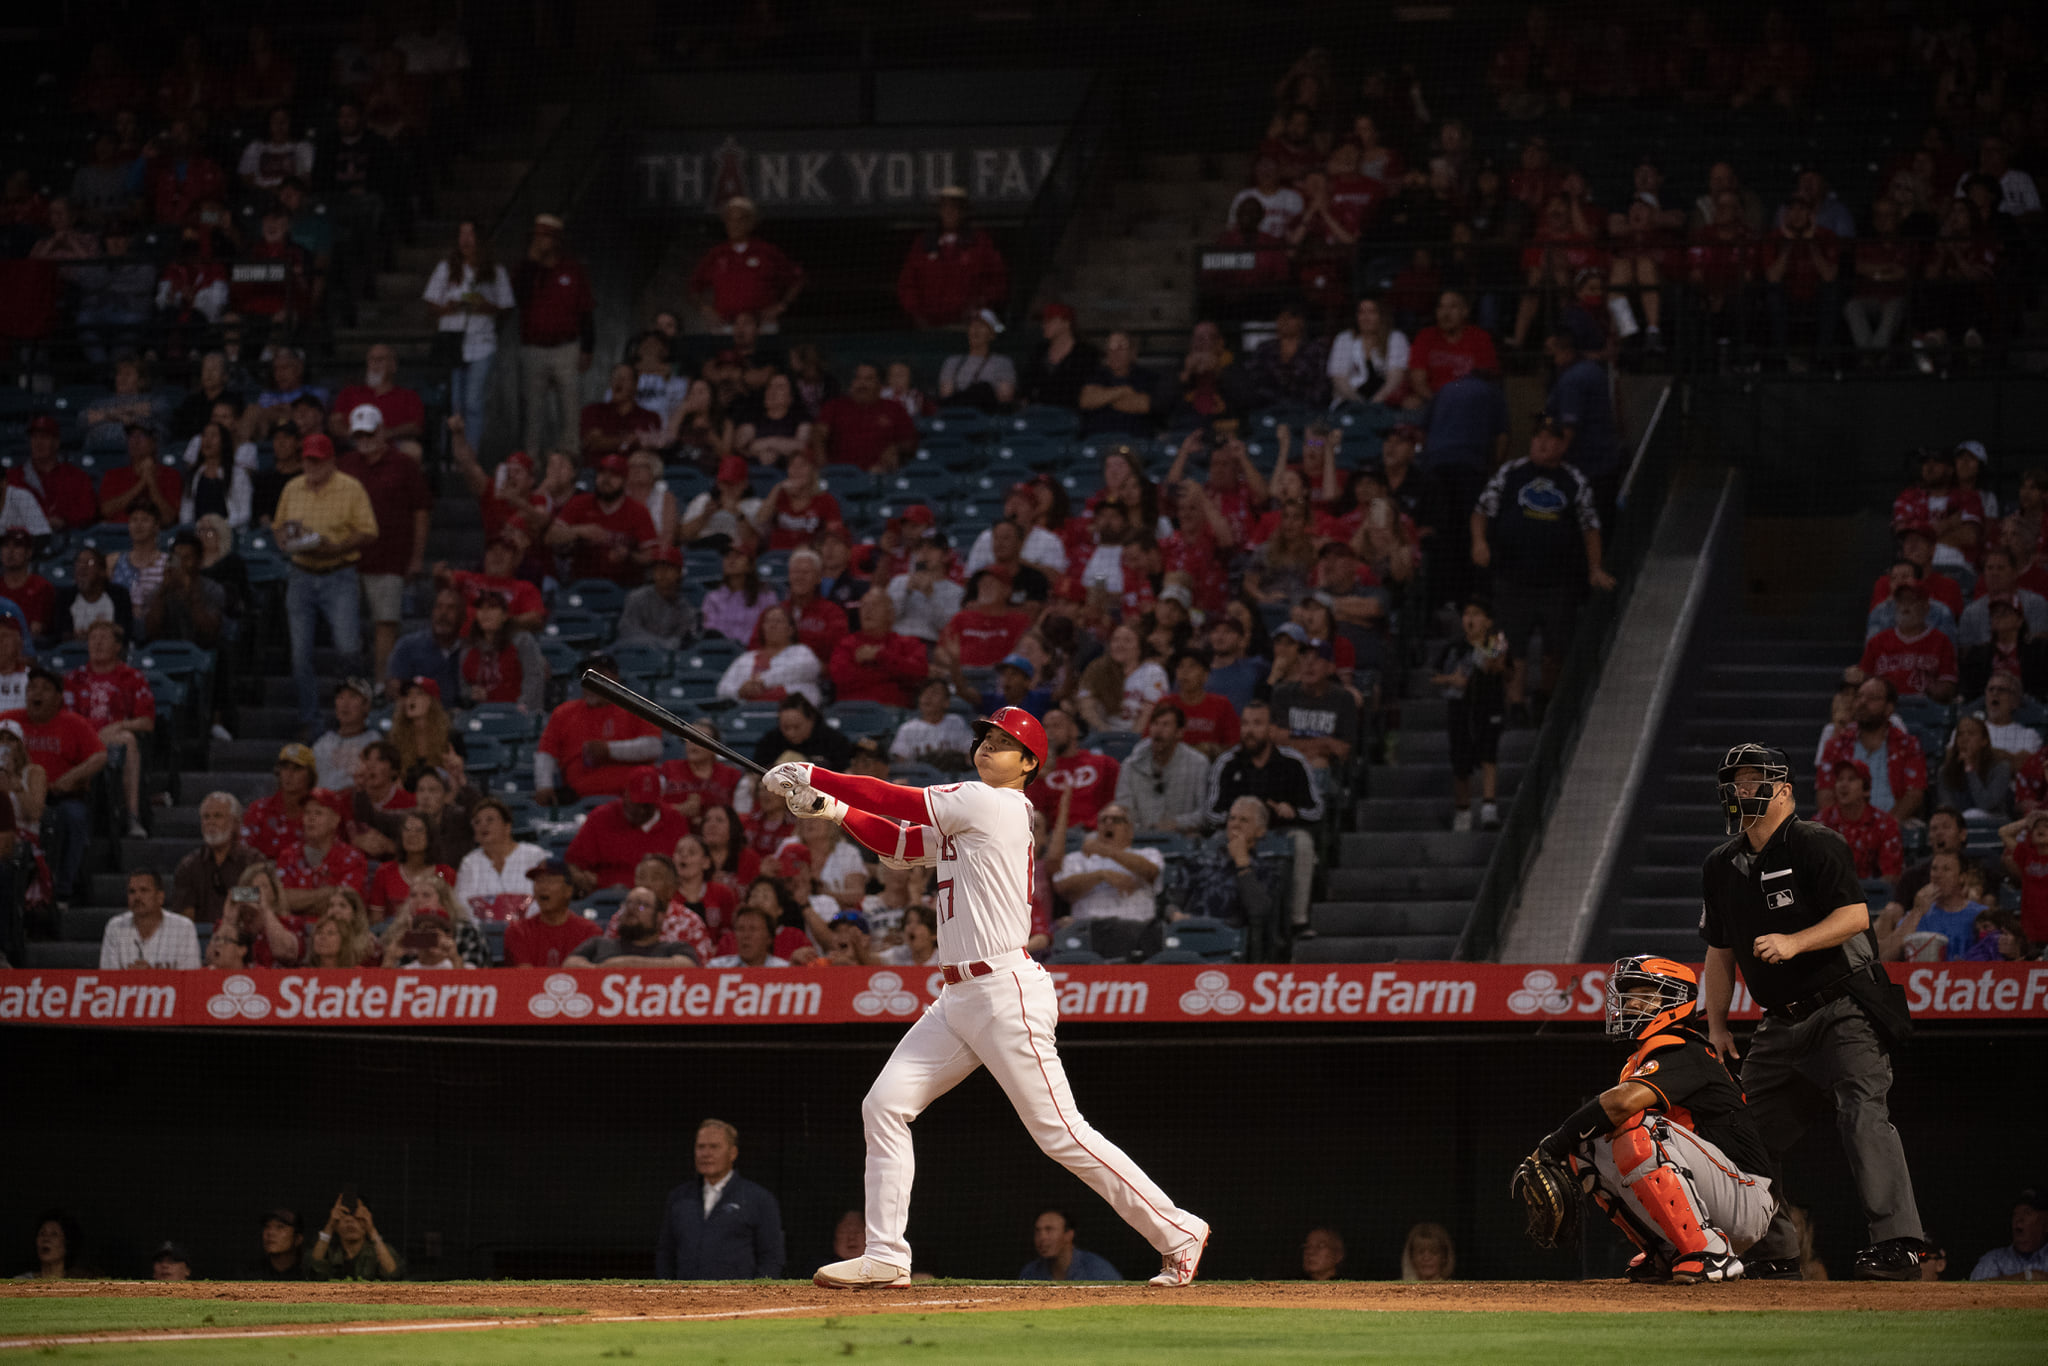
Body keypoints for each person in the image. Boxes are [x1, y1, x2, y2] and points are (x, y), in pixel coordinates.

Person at [774, 707, 1210, 1289]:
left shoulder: (994, 803)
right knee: (884, 1106)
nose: (988, 747)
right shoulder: (972, 813)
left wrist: (815, 775)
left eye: (1005, 743)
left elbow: (898, 799)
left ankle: (1177, 1229)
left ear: (1029, 763)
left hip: (1005, 990)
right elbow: (901, 841)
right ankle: (885, 1254)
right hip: (958, 995)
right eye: (986, 737)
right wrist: (831, 810)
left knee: (1060, 1132)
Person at [1700, 743, 1940, 1281]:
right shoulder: (1720, 864)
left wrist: (1794, 942)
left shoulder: (1815, 843)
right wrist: (1715, 1024)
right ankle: (1776, 1250)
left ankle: (1899, 1244)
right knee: (1743, 1132)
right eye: (1735, 782)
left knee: (1862, 1113)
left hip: (1842, 1007)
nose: (1741, 790)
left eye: (1752, 779)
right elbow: (1718, 952)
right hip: (1778, 1023)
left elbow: (1856, 916)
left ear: (1783, 788)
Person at [1522, 956, 1776, 1284]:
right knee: (1587, 1146)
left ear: (1676, 1001)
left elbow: (1621, 1104)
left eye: (1646, 994)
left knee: (1632, 1123)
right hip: (1717, 1193)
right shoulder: (1641, 1059)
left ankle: (1711, 1253)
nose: (1631, 1003)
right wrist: (1566, 1146)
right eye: (1629, 996)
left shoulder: (1683, 1049)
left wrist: (1553, 1144)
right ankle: (1667, 1250)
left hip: (1747, 1197)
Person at [1472, 417, 1614, 715]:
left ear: (1563, 444)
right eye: (1538, 436)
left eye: (1551, 438)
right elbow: (1481, 510)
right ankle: (1513, 704)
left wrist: (1595, 567)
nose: (1543, 443)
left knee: (1556, 648)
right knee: (1509, 644)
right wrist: (1479, 542)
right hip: (1512, 576)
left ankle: (1546, 700)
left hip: (1557, 580)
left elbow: (1590, 527)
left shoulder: (1574, 479)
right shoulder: (1511, 472)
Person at [274, 434, 377, 736]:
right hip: (301, 572)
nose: (312, 465)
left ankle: (351, 714)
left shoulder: (350, 487)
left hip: (339, 571)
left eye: (318, 460)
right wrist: (285, 542)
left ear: (331, 461)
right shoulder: (292, 487)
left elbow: (369, 531)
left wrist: (336, 547)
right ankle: (311, 718)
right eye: (308, 459)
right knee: (299, 654)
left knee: (347, 649)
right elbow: (279, 527)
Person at [5, 667, 108, 905]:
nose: (35, 694)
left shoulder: (73, 723)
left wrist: (71, 776)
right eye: (31, 688)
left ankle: (62, 890)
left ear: (59, 698)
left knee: (72, 817)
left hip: (60, 797)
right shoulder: (10, 721)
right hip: (15, 797)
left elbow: (100, 756)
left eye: (44, 689)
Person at [655, 1119, 787, 1279]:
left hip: (738, 1301)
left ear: (733, 1153)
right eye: (700, 1147)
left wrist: (756, 1296)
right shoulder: (679, 1197)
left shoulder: (759, 1199)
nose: (706, 1153)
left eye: (714, 1147)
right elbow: (665, 1253)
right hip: (684, 1300)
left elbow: (772, 1257)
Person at [423, 220, 514, 446]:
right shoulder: (446, 268)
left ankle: (470, 453)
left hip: (482, 342)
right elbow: (431, 303)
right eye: (462, 234)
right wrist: (450, 307)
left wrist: (484, 305)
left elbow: (506, 308)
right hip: (453, 341)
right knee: (456, 402)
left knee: (474, 402)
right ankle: (452, 451)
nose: (465, 239)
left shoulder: (496, 271)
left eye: (471, 234)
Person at [512, 213, 595, 459]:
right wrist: (532, 264)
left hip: (566, 347)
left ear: (557, 240)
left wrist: (588, 348)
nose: (541, 242)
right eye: (537, 237)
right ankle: (531, 461)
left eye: (546, 237)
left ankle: (569, 460)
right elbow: (517, 298)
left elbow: (586, 311)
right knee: (533, 411)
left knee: (570, 409)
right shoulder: (525, 269)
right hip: (533, 348)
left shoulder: (572, 269)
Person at [64, 619, 154, 837]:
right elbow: (65, 717)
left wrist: (118, 725)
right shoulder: (75, 678)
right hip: (80, 739)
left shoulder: (132, 677)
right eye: (93, 638)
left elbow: (147, 723)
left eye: (104, 638)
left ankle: (132, 816)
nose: (97, 643)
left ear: (117, 646)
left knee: (128, 740)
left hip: (113, 739)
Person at [534, 654, 662, 805]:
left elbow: (654, 746)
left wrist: (609, 750)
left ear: (615, 678)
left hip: (632, 800)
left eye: (600, 675)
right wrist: (544, 785)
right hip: (579, 800)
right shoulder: (564, 713)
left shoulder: (636, 706)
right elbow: (545, 753)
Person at [1434, 597, 1509, 831]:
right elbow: (1435, 676)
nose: (1470, 619)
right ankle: (1463, 811)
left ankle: (1489, 807)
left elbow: (1497, 667)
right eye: (1467, 614)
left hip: (1488, 705)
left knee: (1488, 752)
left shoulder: (1495, 642)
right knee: (1460, 759)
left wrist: (1487, 647)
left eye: (1476, 614)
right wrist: (1451, 680)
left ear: (1487, 621)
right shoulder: (1454, 647)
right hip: (1459, 708)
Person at [897, 187, 1008, 328]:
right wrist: (917, 313)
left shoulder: (980, 242)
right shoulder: (924, 244)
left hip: (968, 328)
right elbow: (907, 285)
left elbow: (997, 282)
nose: (949, 212)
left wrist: (980, 304)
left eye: (954, 208)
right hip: (930, 328)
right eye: (945, 207)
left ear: (963, 212)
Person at [689, 197, 804, 329]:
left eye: (740, 220)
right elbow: (694, 286)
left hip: (762, 326)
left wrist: (782, 305)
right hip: (726, 326)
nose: (734, 225)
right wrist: (704, 309)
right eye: (730, 220)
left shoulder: (766, 251)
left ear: (751, 223)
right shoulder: (717, 254)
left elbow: (797, 280)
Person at [549, 454, 658, 587]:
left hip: (624, 587)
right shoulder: (579, 503)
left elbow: (651, 555)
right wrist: (579, 531)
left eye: (614, 475)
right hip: (582, 585)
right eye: (602, 473)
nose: (606, 479)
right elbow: (550, 536)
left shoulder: (638, 511)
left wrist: (629, 555)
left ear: (624, 480)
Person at [1114, 705, 1211, 836]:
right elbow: (1123, 809)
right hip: (1140, 840)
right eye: (1155, 724)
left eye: (1166, 725)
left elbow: (1205, 812)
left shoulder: (1199, 764)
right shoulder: (1130, 765)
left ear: (1179, 732)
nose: (1158, 731)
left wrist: (1176, 823)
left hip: (1183, 840)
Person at [170, 791, 261, 926]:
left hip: (244, 936)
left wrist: (233, 896)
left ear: (235, 823)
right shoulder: (189, 866)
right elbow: (184, 917)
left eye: (218, 816)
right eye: (206, 817)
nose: (210, 822)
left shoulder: (253, 861)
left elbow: (261, 897)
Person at [453, 798, 549, 921]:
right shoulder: (470, 862)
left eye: (490, 820)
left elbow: (544, 897)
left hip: (528, 929)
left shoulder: (534, 855)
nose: (483, 825)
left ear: (507, 827)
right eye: (477, 822)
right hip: (482, 931)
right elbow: (462, 903)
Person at [830, 590, 928, 708]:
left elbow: (919, 674)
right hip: (850, 712)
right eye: (864, 606)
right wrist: (893, 677)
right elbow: (841, 678)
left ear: (890, 614)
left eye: (875, 605)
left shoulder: (908, 644)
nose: (868, 610)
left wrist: (880, 656)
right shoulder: (846, 644)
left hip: (892, 714)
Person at [1816, 762, 1904, 883]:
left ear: (1866, 789)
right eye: (1840, 779)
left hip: (1872, 896)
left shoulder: (1885, 824)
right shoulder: (1820, 822)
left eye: (1851, 779)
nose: (1843, 784)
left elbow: (1891, 876)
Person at [98, 867, 200, 968]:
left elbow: (190, 978)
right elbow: (107, 977)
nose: (137, 897)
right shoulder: (115, 927)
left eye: (144, 890)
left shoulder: (183, 928)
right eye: (132, 892)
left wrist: (151, 977)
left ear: (160, 897)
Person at [386, 587, 467, 705]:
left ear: (463, 616)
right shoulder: (408, 646)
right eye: (439, 607)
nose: (443, 613)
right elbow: (394, 690)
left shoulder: (470, 649)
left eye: (451, 608)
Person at [616, 547, 698, 650]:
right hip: (634, 654)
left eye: (668, 568)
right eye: (658, 568)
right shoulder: (637, 597)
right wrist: (659, 644)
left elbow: (680, 644)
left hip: (665, 661)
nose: (662, 573)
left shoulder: (685, 609)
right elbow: (627, 631)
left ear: (679, 573)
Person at [309, 1192, 403, 1281]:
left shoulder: (378, 1252)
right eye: (344, 1214)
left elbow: (393, 1274)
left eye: (357, 1216)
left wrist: (372, 1231)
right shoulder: (328, 1251)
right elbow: (312, 1271)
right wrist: (330, 1226)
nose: (350, 1221)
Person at [891, 677, 975, 769]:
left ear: (946, 702)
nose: (928, 696)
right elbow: (901, 763)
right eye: (924, 693)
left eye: (935, 693)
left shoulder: (955, 722)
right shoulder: (907, 728)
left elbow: (969, 755)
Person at [1017, 1209, 1121, 1281]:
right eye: (1038, 1231)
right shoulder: (1030, 1273)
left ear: (1069, 1234)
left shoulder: (1098, 1271)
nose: (1042, 1237)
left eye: (1049, 1229)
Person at [1970, 1189, 2048, 1282]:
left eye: (2028, 1213)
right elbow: (1972, 1292)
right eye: (2015, 1214)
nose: (2019, 1220)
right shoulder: (1994, 1260)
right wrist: (2026, 1277)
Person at [254, 1209, 307, 1280]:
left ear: (298, 1238)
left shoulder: (307, 1275)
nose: (270, 1232)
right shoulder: (248, 1273)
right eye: (267, 1226)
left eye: (280, 1227)